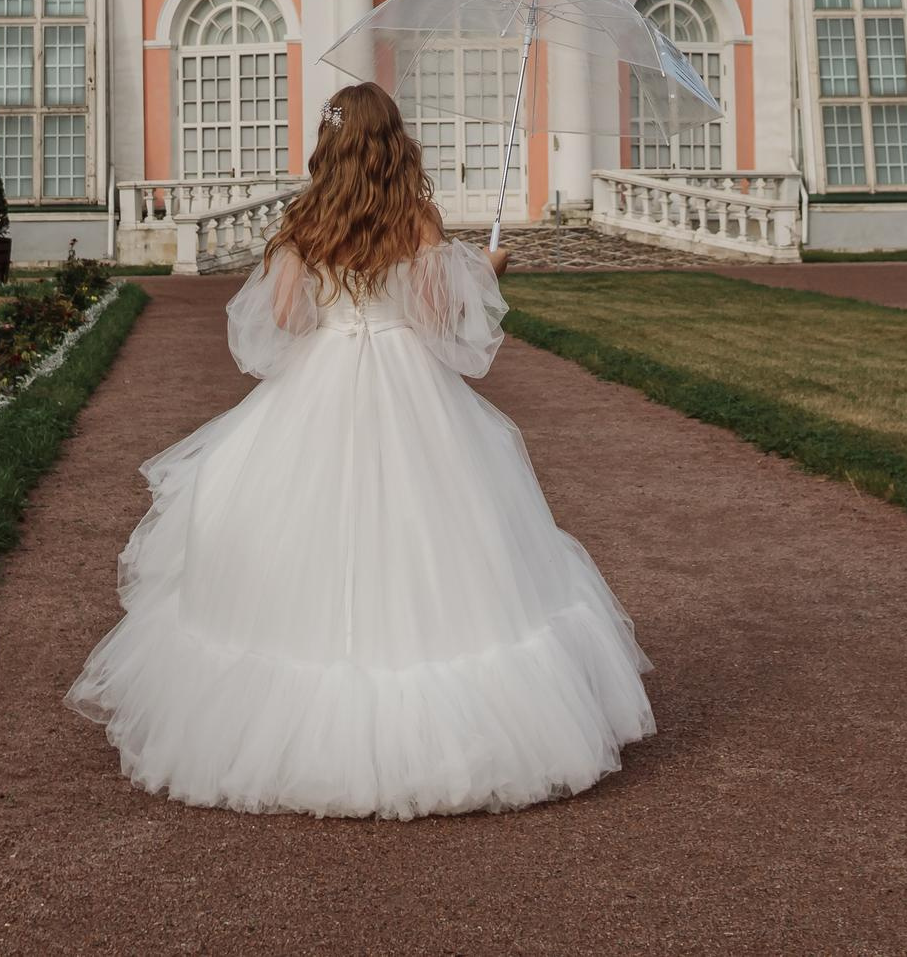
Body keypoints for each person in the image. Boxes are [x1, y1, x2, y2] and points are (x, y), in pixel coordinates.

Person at [67, 81, 654, 818]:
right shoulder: (417, 217)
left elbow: (279, 323)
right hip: (410, 386)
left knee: (302, 537)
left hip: (324, 376)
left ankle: (284, 732)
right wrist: (486, 273)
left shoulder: (305, 221)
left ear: (331, 143)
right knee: (438, 541)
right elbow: (443, 325)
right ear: (394, 143)